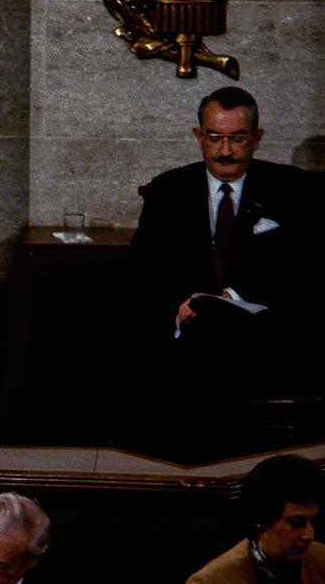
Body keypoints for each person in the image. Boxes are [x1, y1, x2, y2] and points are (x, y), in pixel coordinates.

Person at [126, 87, 319, 456]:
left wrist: (232, 297)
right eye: (214, 138)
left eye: (237, 138)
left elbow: (305, 272)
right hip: (185, 330)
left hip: (264, 334)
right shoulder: (168, 191)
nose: (225, 150)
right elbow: (142, 272)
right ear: (199, 136)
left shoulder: (294, 189)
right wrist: (178, 310)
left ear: (257, 138)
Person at [185, 453, 325, 584]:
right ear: (262, 520)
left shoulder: (320, 557)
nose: (309, 535)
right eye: (296, 523)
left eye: (313, 521)